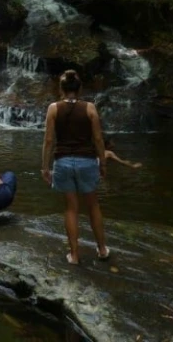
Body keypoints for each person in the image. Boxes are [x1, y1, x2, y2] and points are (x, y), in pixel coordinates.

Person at [41, 69, 108, 265]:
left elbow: (48, 140)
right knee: (93, 205)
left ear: (61, 88)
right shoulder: (90, 108)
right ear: (79, 89)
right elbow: (97, 138)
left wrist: (45, 167)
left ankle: (75, 256)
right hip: (87, 161)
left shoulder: (53, 108)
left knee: (71, 208)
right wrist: (102, 163)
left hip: (63, 162)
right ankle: (102, 249)